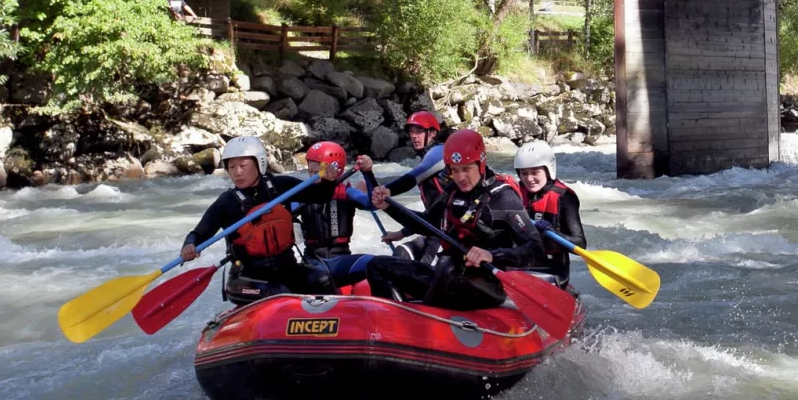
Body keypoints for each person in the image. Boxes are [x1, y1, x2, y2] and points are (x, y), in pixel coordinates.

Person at [364, 130, 541, 311]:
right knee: (377, 266)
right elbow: (426, 224)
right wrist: (389, 207)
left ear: (481, 164)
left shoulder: (503, 198)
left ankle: (426, 321)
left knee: (448, 268)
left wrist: (492, 255)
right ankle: (398, 321)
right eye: (455, 170)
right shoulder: (452, 191)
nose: (461, 177)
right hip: (450, 275)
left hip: (489, 284)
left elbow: (535, 247)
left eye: (466, 169)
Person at [180, 135, 337, 305]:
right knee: (279, 293)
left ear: (259, 163)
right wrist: (189, 244)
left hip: (286, 268)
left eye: (243, 165)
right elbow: (199, 233)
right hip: (246, 278)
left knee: (321, 279)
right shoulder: (227, 202)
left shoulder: (280, 186)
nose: (237, 172)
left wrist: (328, 181)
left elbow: (320, 196)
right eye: (231, 167)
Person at [513, 140, 586, 287]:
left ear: (548, 170)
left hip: (552, 267)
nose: (529, 179)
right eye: (524, 173)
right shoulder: (512, 193)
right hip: (518, 262)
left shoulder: (565, 198)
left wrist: (552, 232)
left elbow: (580, 244)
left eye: (535, 172)